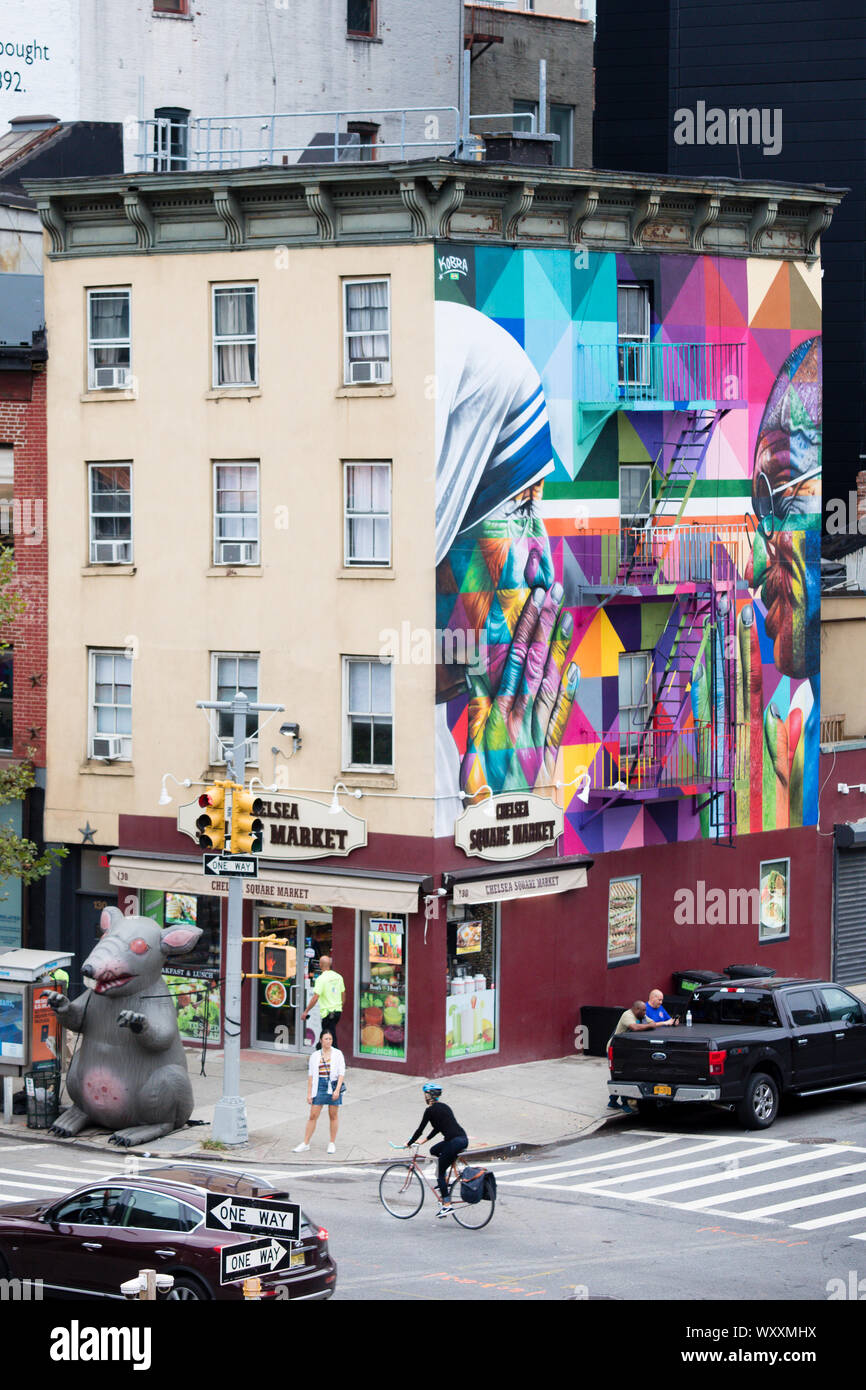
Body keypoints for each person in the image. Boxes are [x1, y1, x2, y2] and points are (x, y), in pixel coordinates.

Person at [406, 1082, 468, 1219]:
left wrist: (409, 1143)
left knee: (439, 1173)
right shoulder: (445, 1107)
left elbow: (419, 1130)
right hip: (462, 1138)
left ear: (429, 1095)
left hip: (453, 1142)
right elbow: (438, 1128)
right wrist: (424, 1141)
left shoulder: (429, 1111)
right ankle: (445, 1182)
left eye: (425, 1094)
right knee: (434, 1150)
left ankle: (446, 1205)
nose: (424, 1096)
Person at [293, 1029, 345, 1155]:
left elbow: (341, 1073)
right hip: (319, 1086)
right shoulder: (315, 1055)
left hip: (332, 1086)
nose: (328, 1041)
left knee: (333, 1115)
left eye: (330, 1039)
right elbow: (311, 1075)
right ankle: (305, 1143)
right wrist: (309, 1093)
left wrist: (337, 1090)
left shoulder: (338, 1054)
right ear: (321, 1040)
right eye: (326, 1039)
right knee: (313, 1115)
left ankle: (332, 1143)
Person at [607, 1001, 658, 1112]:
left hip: (627, 1050)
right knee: (622, 1076)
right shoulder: (627, 1015)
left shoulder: (642, 1016)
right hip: (616, 1050)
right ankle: (624, 1104)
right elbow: (634, 1027)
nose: (645, 1012)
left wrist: (646, 1025)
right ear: (636, 1010)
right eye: (643, 1010)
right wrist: (647, 1026)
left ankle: (612, 1101)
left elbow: (653, 1023)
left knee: (624, 1075)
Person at [301, 955, 345, 1049]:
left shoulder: (321, 979)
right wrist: (340, 1006)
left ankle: (334, 1058)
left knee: (328, 1037)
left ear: (320, 965)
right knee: (326, 1034)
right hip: (337, 1012)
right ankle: (319, 1052)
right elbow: (343, 994)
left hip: (328, 1013)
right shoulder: (338, 977)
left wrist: (306, 1011)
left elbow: (315, 997)